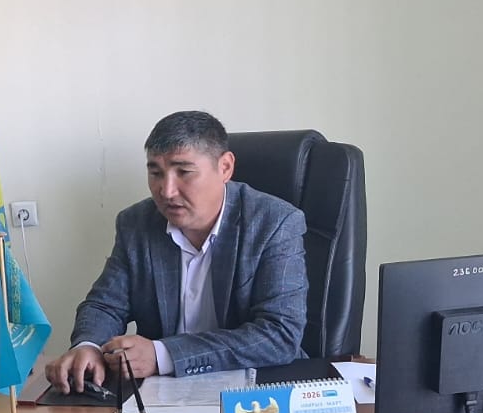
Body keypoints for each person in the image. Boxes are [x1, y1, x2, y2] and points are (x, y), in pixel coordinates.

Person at [44, 111, 308, 392]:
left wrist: (165, 355)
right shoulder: (136, 223)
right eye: (155, 173)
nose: (167, 191)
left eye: (184, 172)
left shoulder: (274, 223)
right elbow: (105, 305)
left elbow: (280, 335)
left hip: (255, 394)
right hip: (162, 395)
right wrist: (89, 346)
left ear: (225, 168)